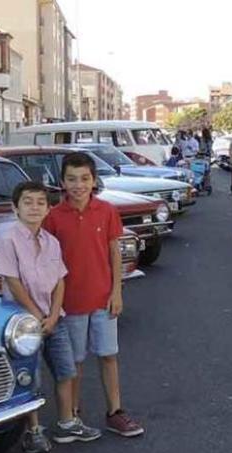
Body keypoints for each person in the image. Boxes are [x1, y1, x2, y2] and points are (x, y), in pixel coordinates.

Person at [43, 152, 145, 437]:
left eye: (84, 179)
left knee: (108, 355)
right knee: (73, 362)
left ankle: (115, 411)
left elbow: (114, 252)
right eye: (72, 179)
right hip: (70, 303)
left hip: (102, 297)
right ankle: (72, 415)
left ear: (94, 180)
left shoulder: (106, 211)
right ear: (62, 182)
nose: (78, 185)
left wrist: (117, 291)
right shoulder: (53, 218)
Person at [0, 181, 100, 453]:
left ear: (48, 208)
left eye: (40, 202)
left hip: (54, 318)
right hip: (24, 322)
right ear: (15, 207)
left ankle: (67, 422)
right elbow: (13, 281)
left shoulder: (51, 241)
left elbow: (60, 281)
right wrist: (37, 314)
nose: (34, 207)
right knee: (31, 377)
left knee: (65, 371)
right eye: (27, 202)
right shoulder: (8, 240)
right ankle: (33, 431)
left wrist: (54, 314)